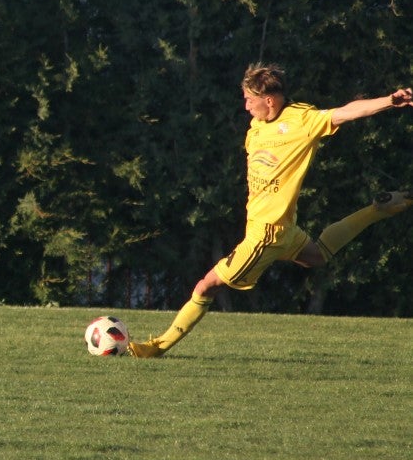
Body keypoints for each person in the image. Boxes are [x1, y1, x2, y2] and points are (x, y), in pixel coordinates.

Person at [130, 63, 412, 358]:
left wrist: (389, 101)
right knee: (317, 255)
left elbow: (347, 111)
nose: (245, 105)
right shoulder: (256, 127)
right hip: (283, 228)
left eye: (250, 99)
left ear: (269, 100)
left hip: (266, 232)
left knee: (206, 285)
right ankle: (378, 210)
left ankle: (157, 347)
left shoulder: (301, 121)